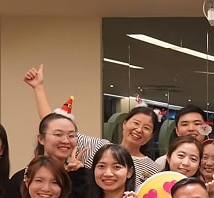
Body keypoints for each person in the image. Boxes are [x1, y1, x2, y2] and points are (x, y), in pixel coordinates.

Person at [24, 64, 159, 180]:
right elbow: (54, 124)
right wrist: (38, 88)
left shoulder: (153, 169)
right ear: (124, 123)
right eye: (136, 123)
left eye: (146, 128)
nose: (139, 130)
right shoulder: (98, 148)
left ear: (152, 135)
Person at [1, 112, 88, 198]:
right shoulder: (21, 178)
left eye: (71, 135)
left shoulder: (82, 176)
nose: (65, 141)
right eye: (58, 134)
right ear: (41, 139)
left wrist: (78, 176)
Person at [152, 106, 208, 170]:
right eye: (184, 124)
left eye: (197, 124)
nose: (191, 128)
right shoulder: (163, 162)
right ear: (177, 131)